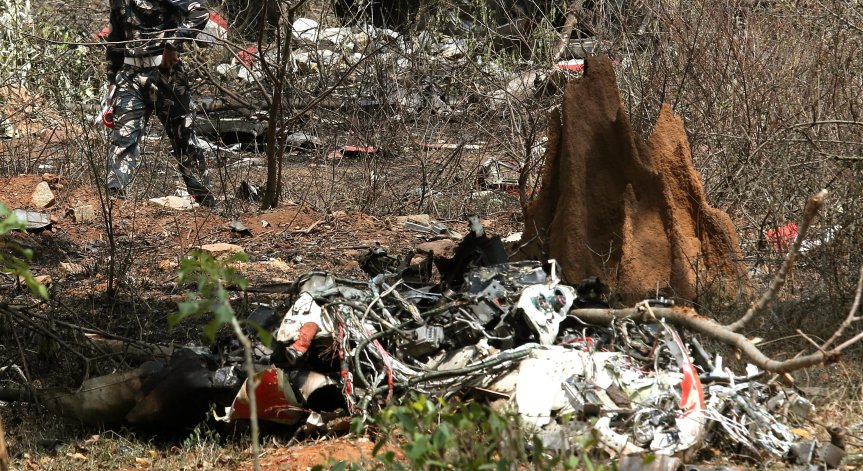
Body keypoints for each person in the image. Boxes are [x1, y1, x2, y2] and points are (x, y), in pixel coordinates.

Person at [104, 0, 215, 206]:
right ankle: (114, 202)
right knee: (123, 138)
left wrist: (173, 44)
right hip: (130, 76)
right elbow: (116, 39)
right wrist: (111, 80)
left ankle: (206, 203)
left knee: (184, 140)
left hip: (166, 74)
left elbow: (200, 13)